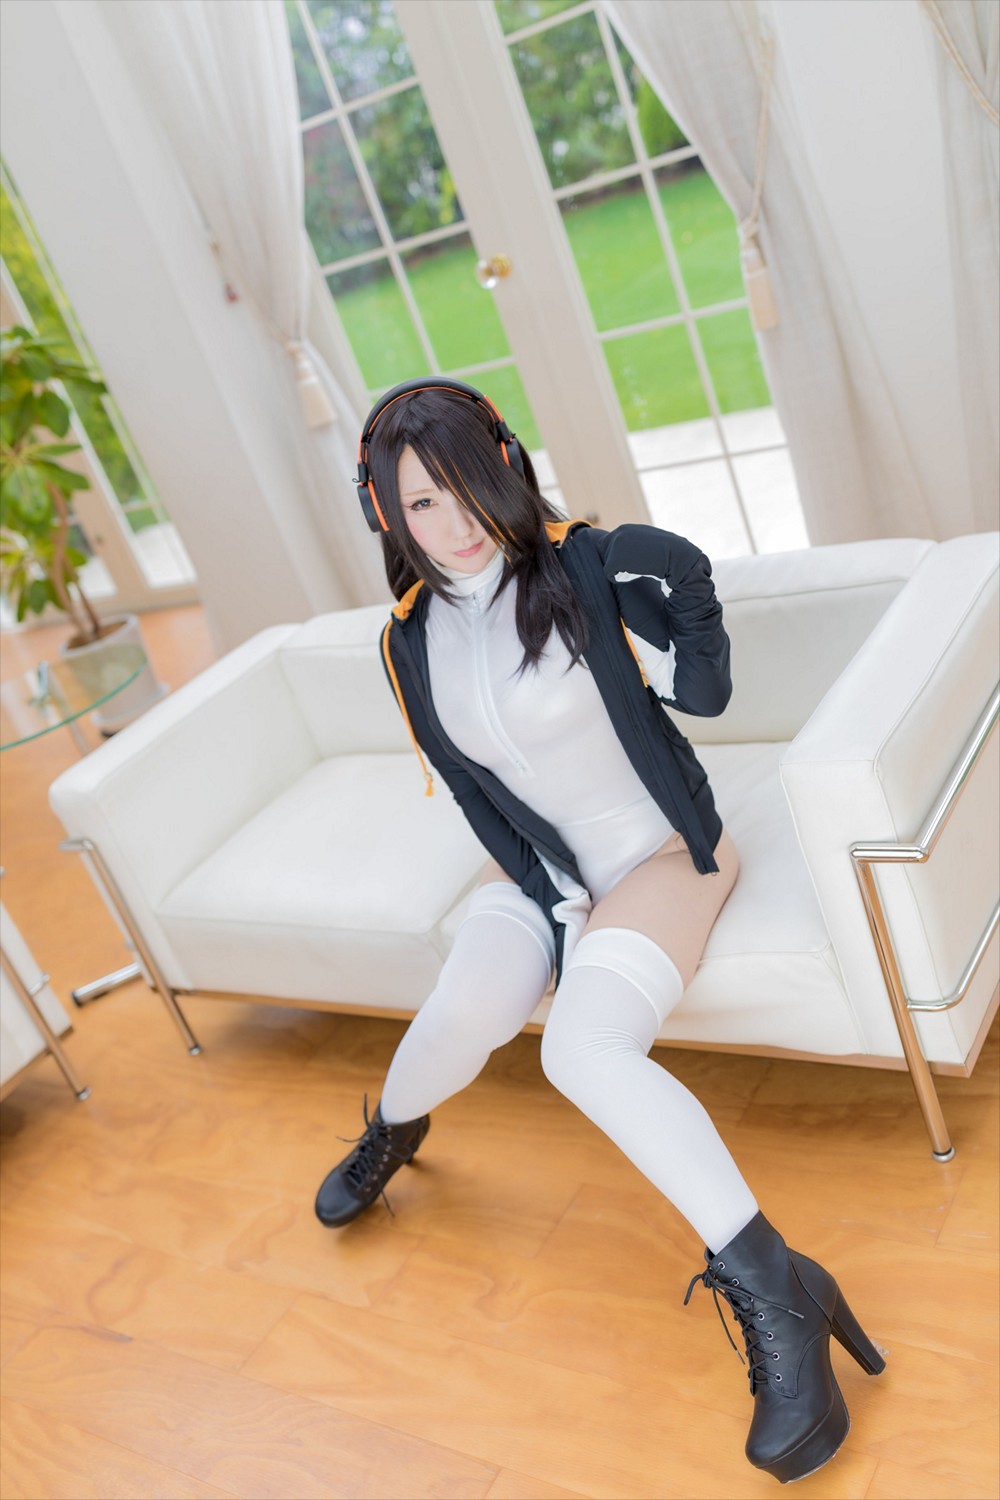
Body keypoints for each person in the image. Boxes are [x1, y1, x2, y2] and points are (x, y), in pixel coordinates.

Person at [315, 377, 886, 1484]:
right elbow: (473, 793)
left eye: (468, 487)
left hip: (662, 854)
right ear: (385, 514)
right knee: (462, 1012)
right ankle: (392, 1129)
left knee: (580, 1049)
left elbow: (706, 699)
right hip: (542, 870)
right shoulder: (407, 642)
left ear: (507, 466)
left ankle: (778, 1289)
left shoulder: (584, 570)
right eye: (422, 502)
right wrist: (554, 904)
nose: (456, 523)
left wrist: (688, 587)